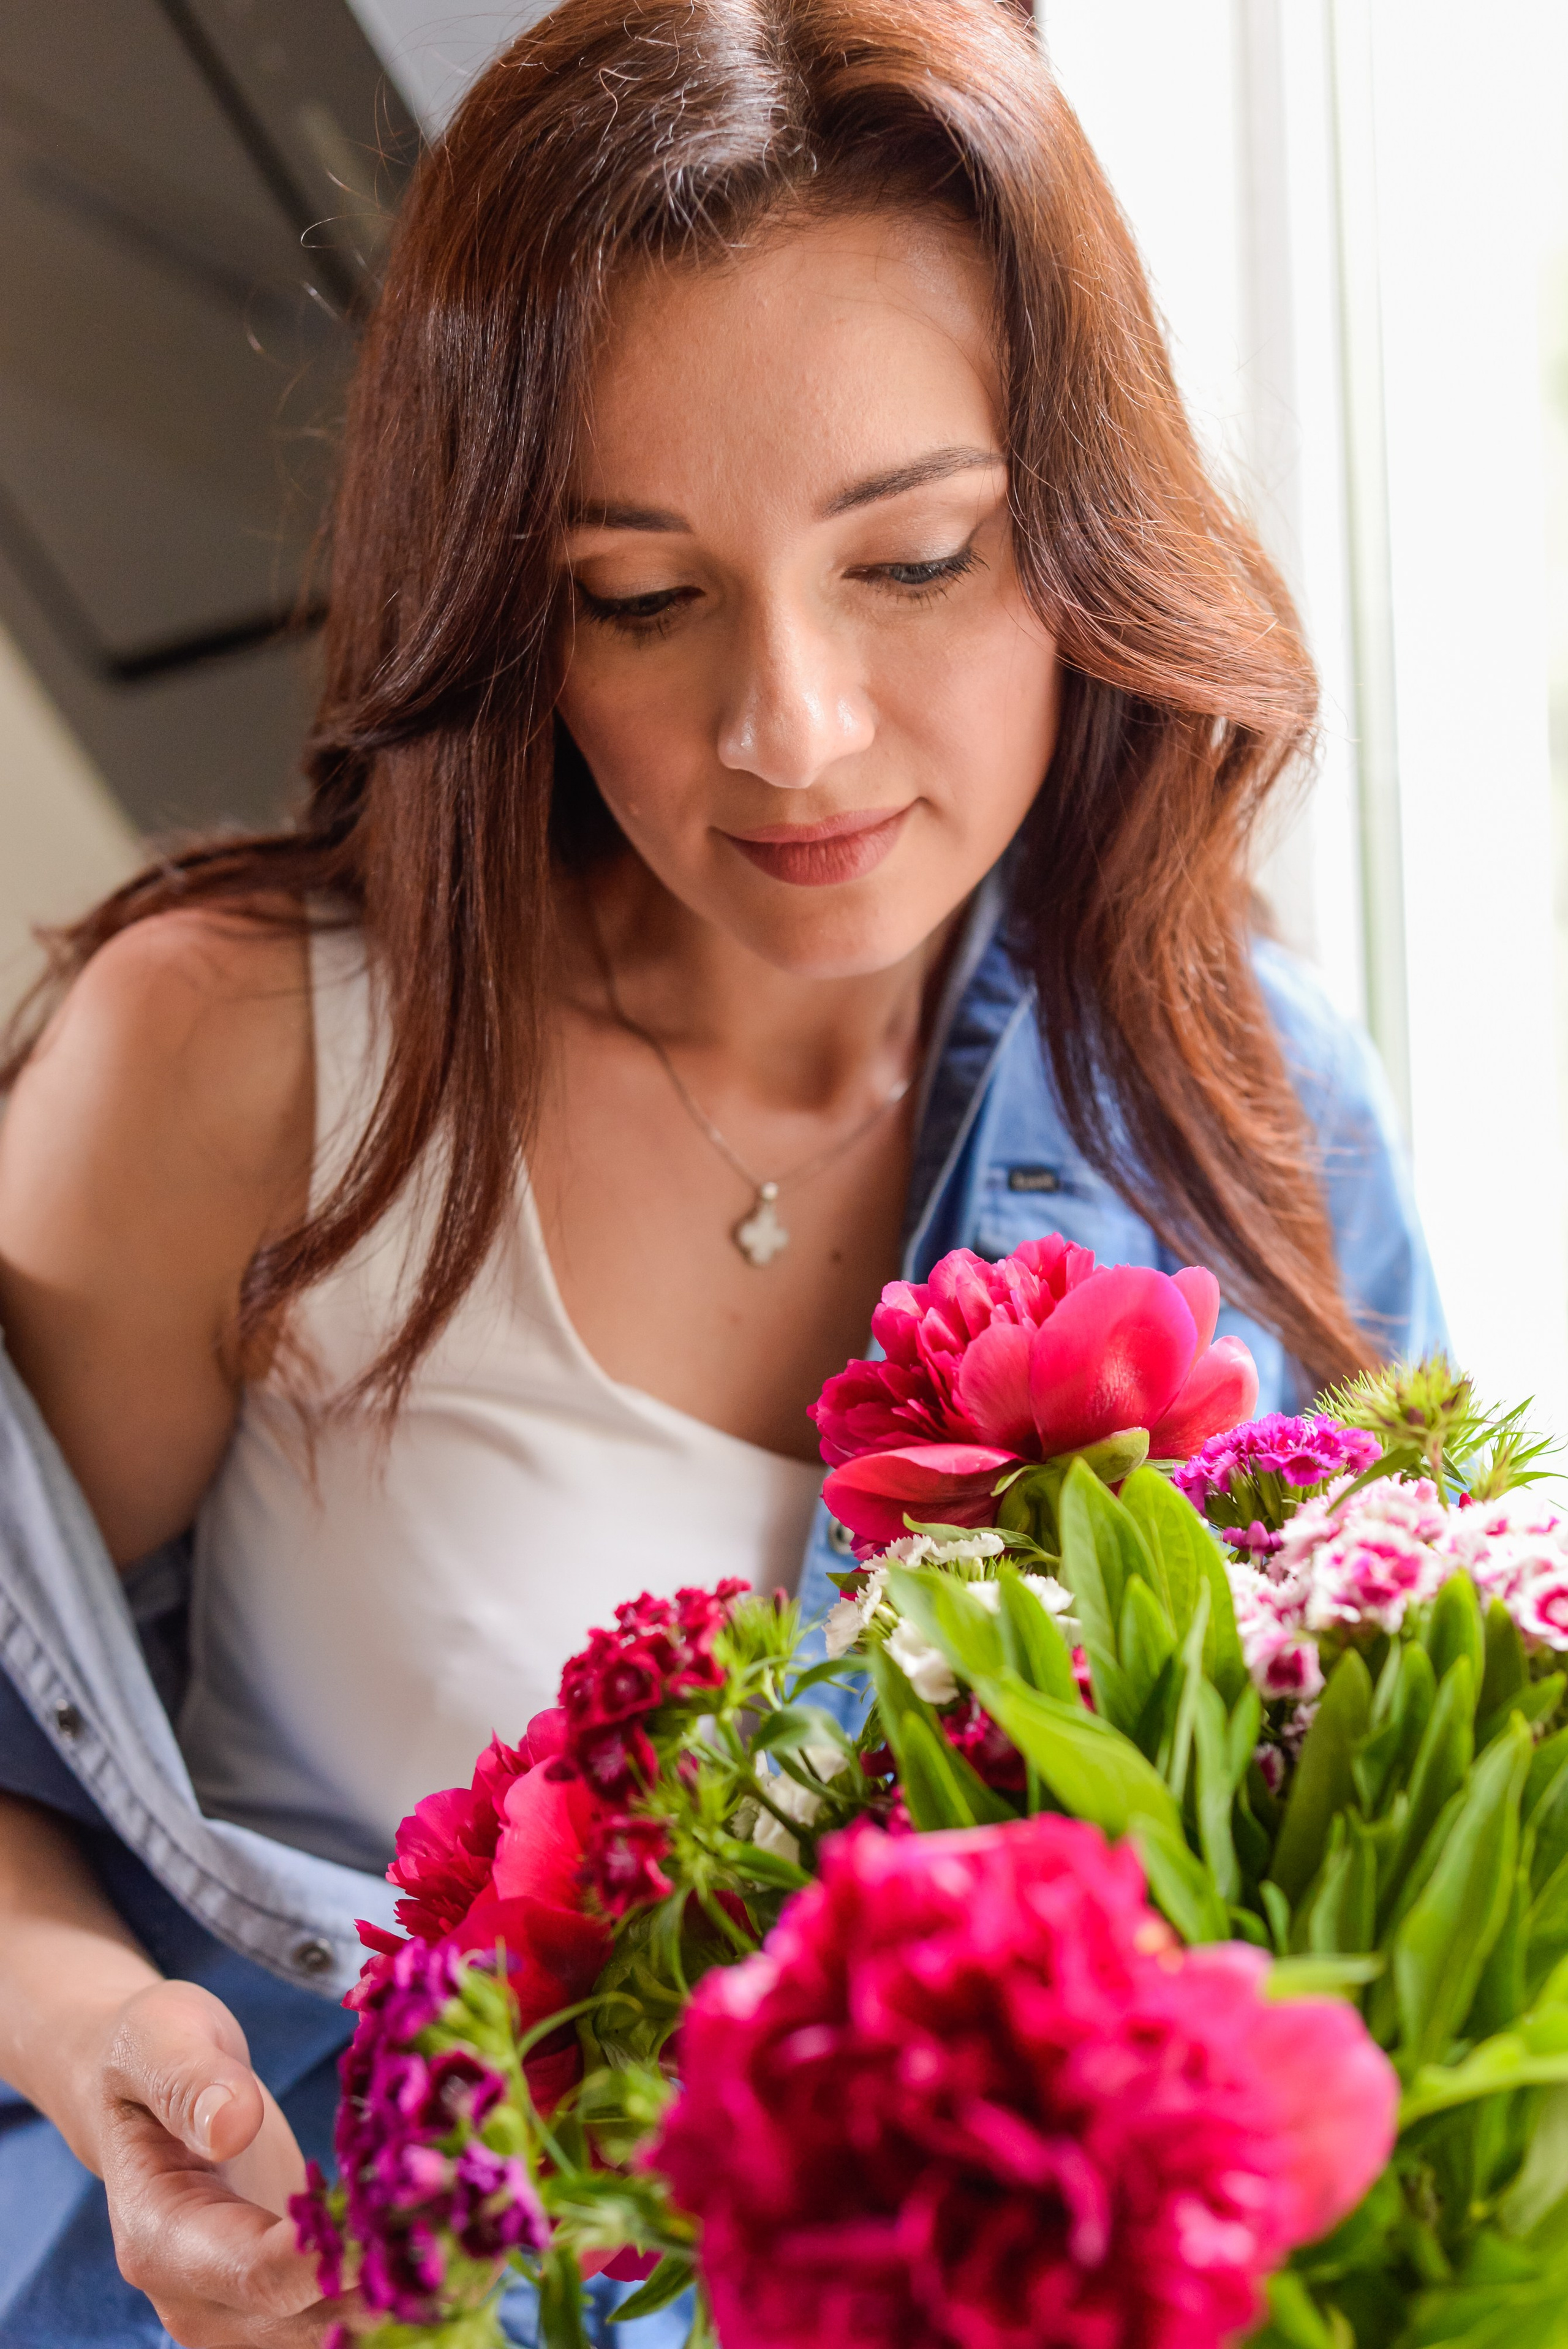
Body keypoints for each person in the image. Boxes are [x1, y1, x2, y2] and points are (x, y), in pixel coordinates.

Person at [0, 0, 1442, 2340]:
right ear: (508, 602)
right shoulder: (249, 1056)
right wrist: (100, 2042)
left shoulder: (1249, 1118)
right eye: (641, 597)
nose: (789, 731)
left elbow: (1403, 1903)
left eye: (920, 557)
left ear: (1084, 526)